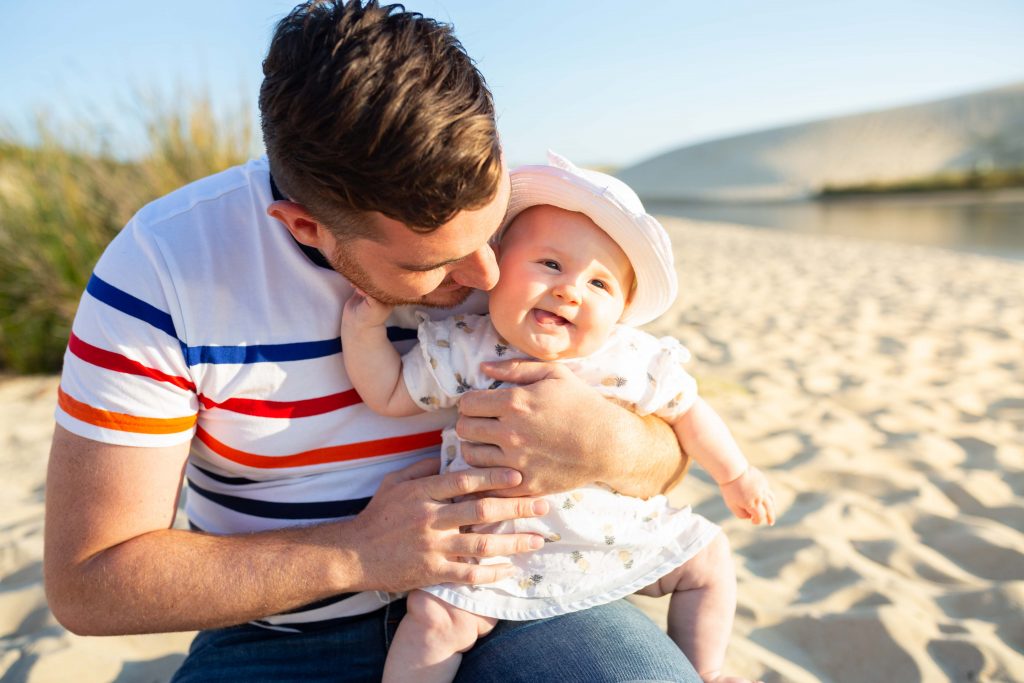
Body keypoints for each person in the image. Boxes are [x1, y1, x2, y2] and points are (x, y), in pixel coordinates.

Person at [43, 2, 704, 681]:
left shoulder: (543, 240)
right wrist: (357, 551)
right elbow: (89, 581)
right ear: (306, 228)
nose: (488, 273)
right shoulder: (165, 269)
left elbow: (672, 450)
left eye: (491, 226)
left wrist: (609, 444)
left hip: (523, 600)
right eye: (430, 264)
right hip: (278, 634)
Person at [341, 152, 776, 683]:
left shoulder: (629, 357)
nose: (569, 289)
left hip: (602, 538)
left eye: (599, 285)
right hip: (497, 547)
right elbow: (389, 391)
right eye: (550, 264)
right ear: (497, 266)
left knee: (709, 558)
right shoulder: (469, 348)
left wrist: (735, 474)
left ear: (623, 308)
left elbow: (688, 412)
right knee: (432, 623)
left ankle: (705, 672)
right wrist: (364, 329)